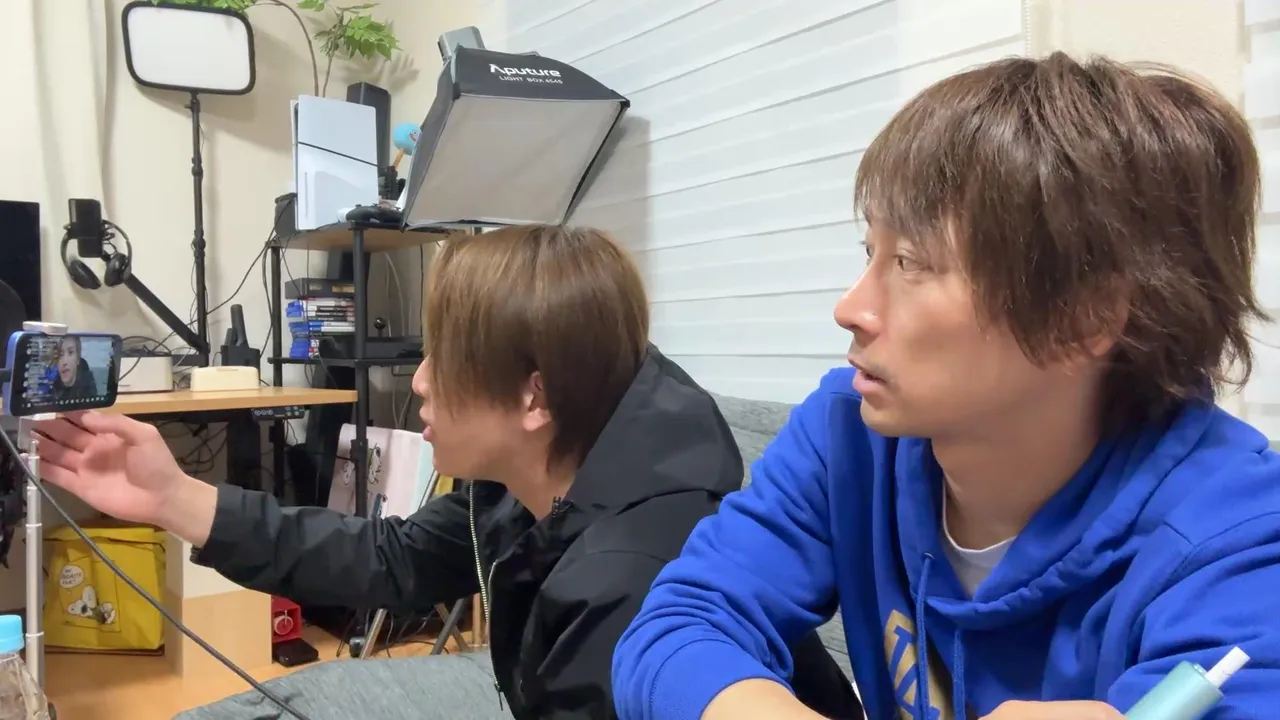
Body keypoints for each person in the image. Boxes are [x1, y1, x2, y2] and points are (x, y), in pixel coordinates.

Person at [612, 53, 1280, 720]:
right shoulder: (847, 431)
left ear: (1084, 318)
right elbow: (680, 624)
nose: (850, 308)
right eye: (870, 252)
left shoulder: (1239, 534)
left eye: (910, 261)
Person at [31, 225, 858, 719]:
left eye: (443, 358)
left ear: (532, 395)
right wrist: (171, 495)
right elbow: (392, 560)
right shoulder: (539, 461)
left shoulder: (631, 583)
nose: (420, 380)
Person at [51, 335, 97, 401]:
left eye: (70, 352)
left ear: (78, 359)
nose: (65, 362)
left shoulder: (88, 391)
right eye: (60, 354)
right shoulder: (52, 389)